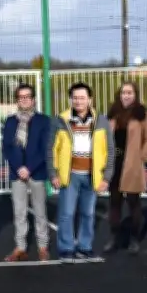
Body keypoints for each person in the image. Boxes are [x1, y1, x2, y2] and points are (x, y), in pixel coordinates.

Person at [48, 82, 114, 263]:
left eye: (82, 98)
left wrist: (106, 177)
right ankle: (66, 248)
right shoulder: (60, 120)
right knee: (67, 213)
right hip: (69, 176)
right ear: (71, 99)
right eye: (75, 98)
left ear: (90, 100)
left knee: (88, 214)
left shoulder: (102, 121)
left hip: (92, 176)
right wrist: (53, 174)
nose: (78, 101)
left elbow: (110, 150)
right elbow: (51, 149)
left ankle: (85, 247)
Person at [1, 83, 52, 262]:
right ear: (17, 100)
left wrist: (29, 168)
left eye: (27, 97)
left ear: (33, 100)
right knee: (19, 212)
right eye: (20, 97)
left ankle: (43, 246)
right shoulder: (10, 121)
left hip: (36, 172)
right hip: (17, 173)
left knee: (40, 211)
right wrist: (19, 168)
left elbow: (45, 148)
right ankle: (21, 247)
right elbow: (7, 147)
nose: (24, 100)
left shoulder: (43, 121)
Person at [104, 82, 147, 254]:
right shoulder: (112, 114)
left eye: (130, 92)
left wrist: (141, 157)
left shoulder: (142, 114)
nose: (126, 95)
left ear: (135, 94)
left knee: (133, 202)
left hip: (131, 164)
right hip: (114, 163)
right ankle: (114, 238)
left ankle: (134, 239)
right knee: (114, 202)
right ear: (120, 94)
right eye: (124, 92)